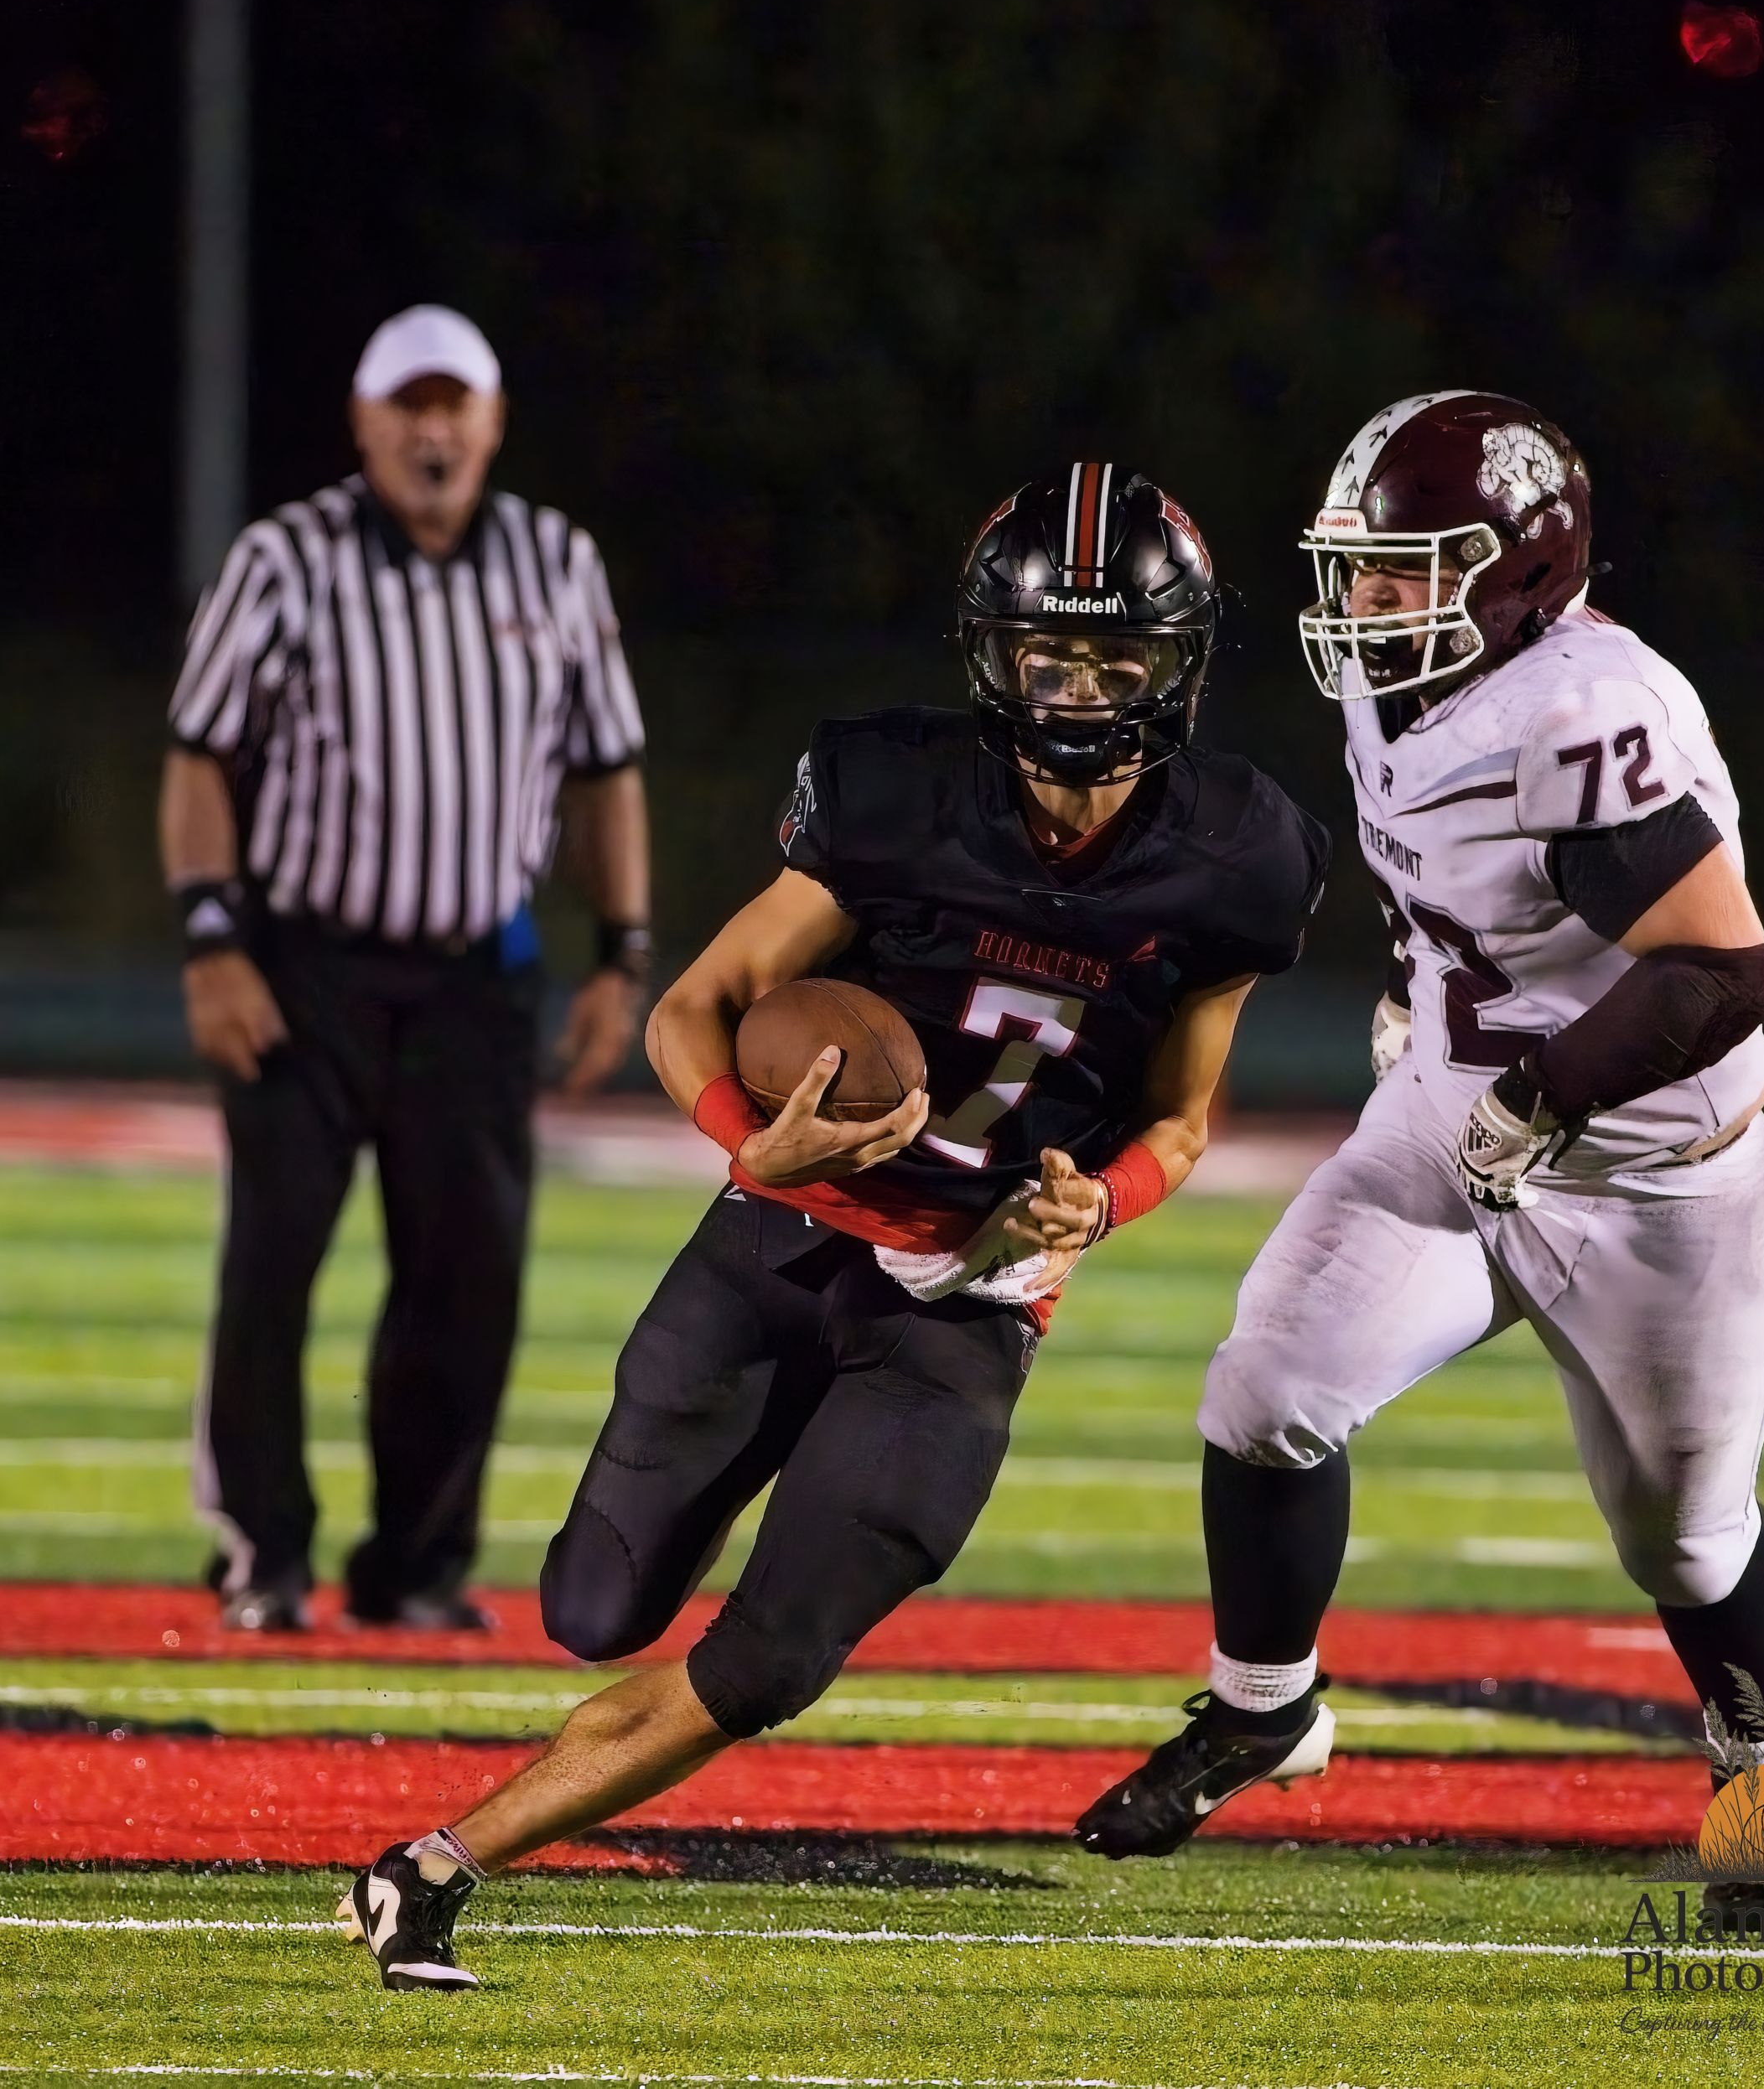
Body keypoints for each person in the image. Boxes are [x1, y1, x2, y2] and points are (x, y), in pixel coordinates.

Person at [340, 466, 1329, 1990]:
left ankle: (439, 1862)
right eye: (1048, 655)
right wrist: (758, 1139)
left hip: (968, 1300)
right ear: (990, 651)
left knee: (774, 1657)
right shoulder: (893, 796)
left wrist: (1104, 1196)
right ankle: (539, 1740)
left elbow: (1183, 1120)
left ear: (1178, 665)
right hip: (780, 1241)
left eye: (1116, 660)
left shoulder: (1240, 855)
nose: (1076, 691)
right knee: (592, 1606)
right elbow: (694, 1010)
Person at [1072, 395, 1764, 1935]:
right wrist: (1434, 999)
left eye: (1405, 572)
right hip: (1453, 1112)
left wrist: (1544, 1090)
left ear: (1521, 569)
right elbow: (1467, 888)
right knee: (1267, 1391)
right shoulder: (1405, 691)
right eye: (1362, 569)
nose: (1367, 604)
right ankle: (1265, 1705)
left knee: (1685, 1536)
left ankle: (1763, 1769)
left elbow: (1722, 972)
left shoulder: (1588, 708)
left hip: (1655, 1171)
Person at [163, 305, 651, 1633]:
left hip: (475, 980)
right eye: (409, 405)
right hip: (305, 968)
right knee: (273, 1263)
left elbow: (608, 769)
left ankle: (419, 1565)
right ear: (365, 420)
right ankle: (261, 1549)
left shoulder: (556, 562)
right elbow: (200, 752)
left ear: (492, 420)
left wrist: (624, 954)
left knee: (466, 1277)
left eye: (456, 405)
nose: (433, 430)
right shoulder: (287, 558)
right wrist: (211, 942)